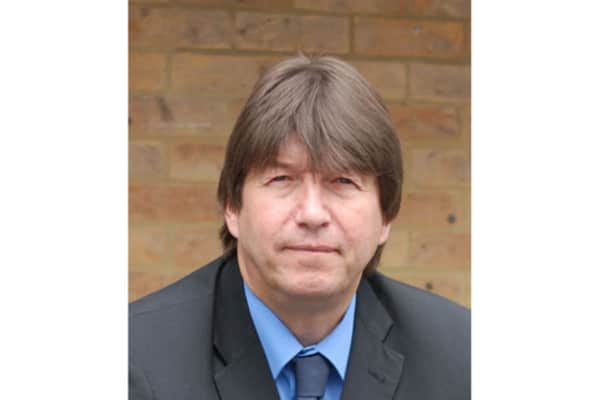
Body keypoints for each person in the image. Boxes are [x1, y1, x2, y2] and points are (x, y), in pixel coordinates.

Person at [129, 55, 470, 400]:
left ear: (386, 216)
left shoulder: (464, 358)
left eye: (342, 181)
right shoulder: (135, 359)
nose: (312, 213)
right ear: (232, 206)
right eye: (282, 179)